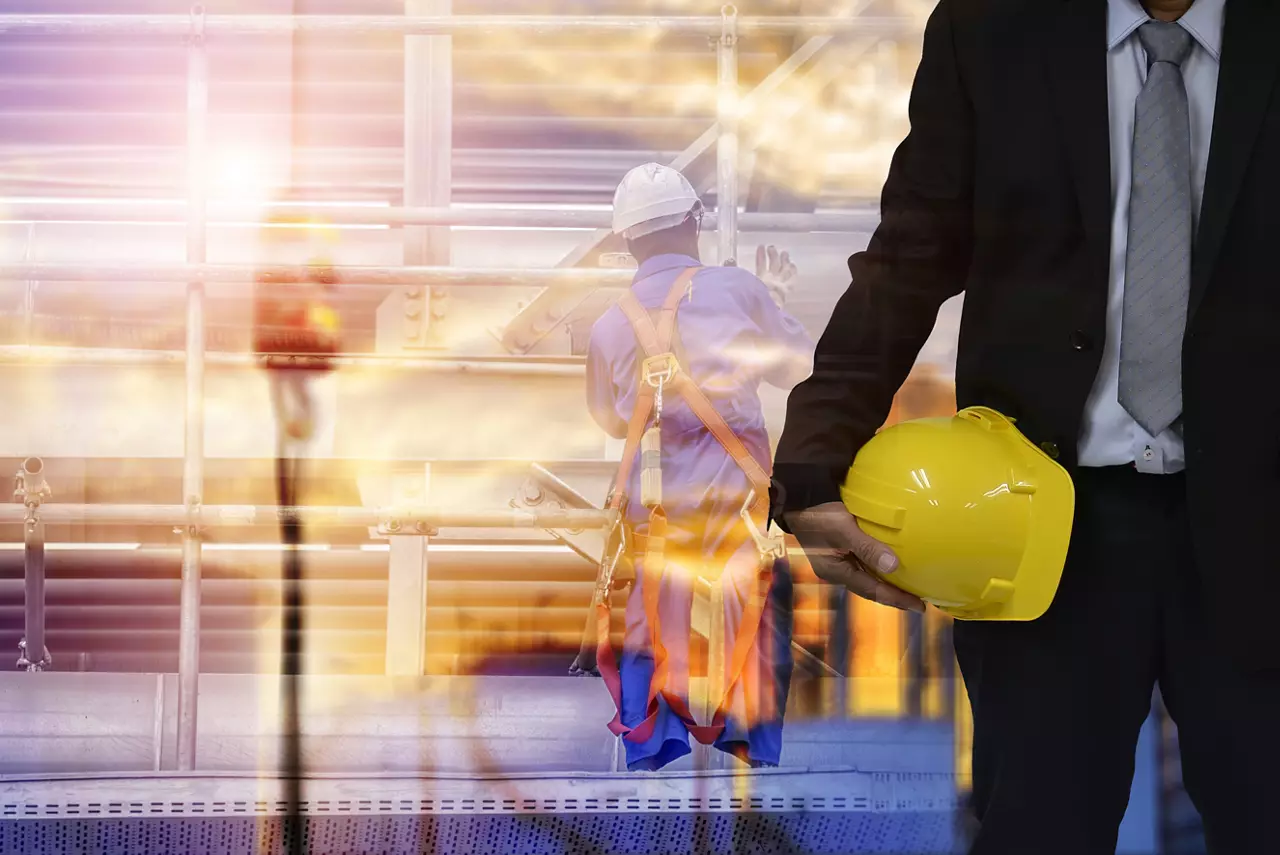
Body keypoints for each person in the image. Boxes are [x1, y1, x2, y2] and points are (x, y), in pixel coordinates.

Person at [769, 0, 1280, 852]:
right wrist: (815, 463)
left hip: (1263, 511)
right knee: (1037, 827)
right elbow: (911, 250)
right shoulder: (992, 25)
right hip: (1040, 523)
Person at [585, 162, 813, 771]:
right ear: (693, 222)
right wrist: (772, 305)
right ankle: (751, 740)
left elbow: (610, 419)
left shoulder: (608, 326)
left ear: (626, 239)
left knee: (649, 614)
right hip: (737, 495)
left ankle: (651, 745)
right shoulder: (738, 289)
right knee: (757, 603)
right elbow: (796, 369)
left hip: (656, 502)